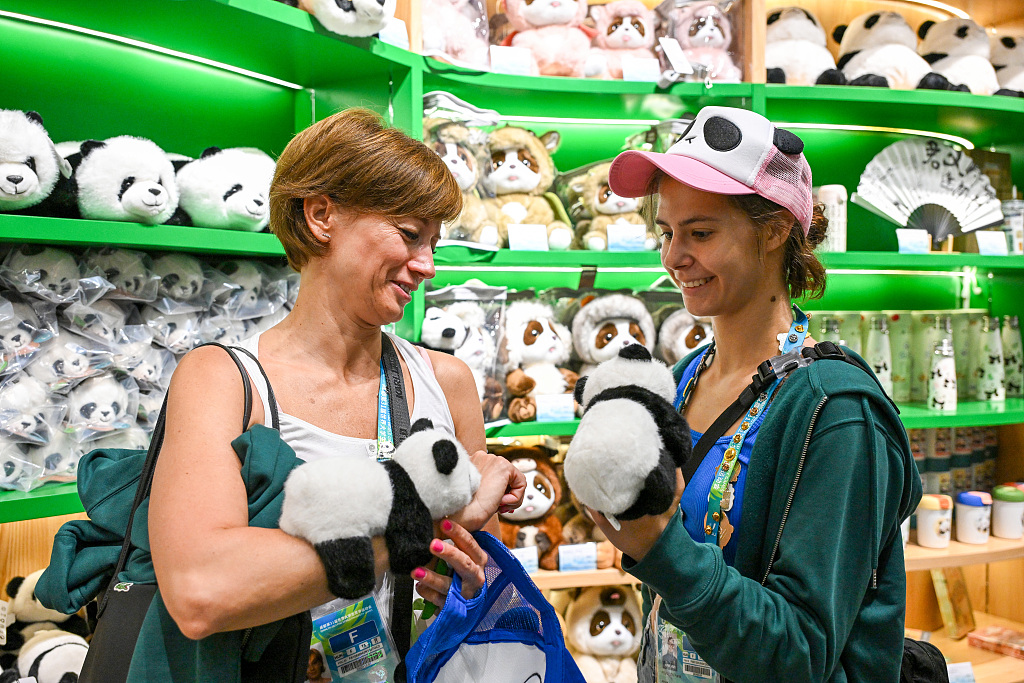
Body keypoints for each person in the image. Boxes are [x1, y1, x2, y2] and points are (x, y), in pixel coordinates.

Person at [147, 109, 526, 672]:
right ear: (322, 214)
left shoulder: (446, 383)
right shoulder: (224, 381)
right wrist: (416, 528)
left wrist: (467, 589)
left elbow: (480, 566)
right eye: (410, 235)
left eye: (435, 242)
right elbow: (201, 592)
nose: (428, 266)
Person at [592, 106, 922, 682]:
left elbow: (801, 653)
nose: (674, 257)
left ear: (773, 230)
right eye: (667, 233)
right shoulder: (684, 375)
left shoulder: (837, 412)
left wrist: (660, 549)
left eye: (700, 232)